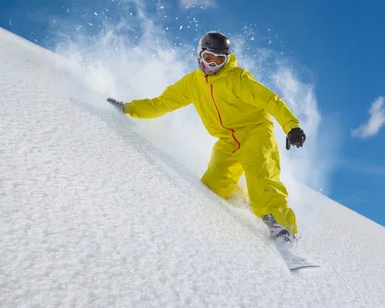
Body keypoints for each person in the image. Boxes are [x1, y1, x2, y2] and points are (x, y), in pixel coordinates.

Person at [107, 31, 306, 242]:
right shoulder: (192, 83)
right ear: (200, 54)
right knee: (213, 186)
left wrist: (291, 126)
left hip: (256, 132)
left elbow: (270, 100)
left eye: (219, 60)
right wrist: (129, 108)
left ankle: (283, 229)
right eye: (208, 58)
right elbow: (161, 103)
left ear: (226, 60)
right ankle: (245, 200)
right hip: (228, 141)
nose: (212, 64)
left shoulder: (237, 78)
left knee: (262, 178)